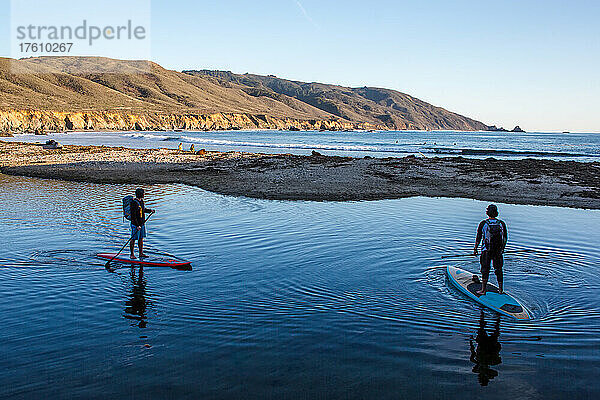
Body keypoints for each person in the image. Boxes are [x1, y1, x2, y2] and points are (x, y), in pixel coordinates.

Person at [473, 204, 507, 295]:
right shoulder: (502, 223)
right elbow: (505, 238)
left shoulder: (483, 223)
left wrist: (475, 249)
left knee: (485, 269)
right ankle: (500, 290)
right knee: (498, 270)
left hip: (486, 251)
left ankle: (483, 290)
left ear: (488, 212)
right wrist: (502, 249)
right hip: (498, 251)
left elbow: (479, 237)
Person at [130, 188, 154, 259]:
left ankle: (141, 253)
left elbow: (143, 210)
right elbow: (133, 216)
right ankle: (132, 254)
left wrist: (150, 210)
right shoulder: (134, 203)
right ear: (140, 194)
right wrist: (137, 225)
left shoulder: (141, 201)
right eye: (143, 193)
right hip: (135, 225)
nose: (144, 194)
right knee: (133, 239)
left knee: (141, 238)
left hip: (142, 224)